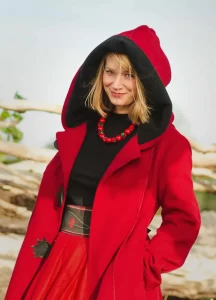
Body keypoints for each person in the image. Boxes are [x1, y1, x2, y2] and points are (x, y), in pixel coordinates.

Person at [5, 25, 201, 300]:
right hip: (58, 262)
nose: (116, 83)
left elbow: (184, 219)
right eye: (110, 72)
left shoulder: (169, 146)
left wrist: (146, 264)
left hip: (118, 274)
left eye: (129, 75)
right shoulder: (81, 132)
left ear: (146, 81)